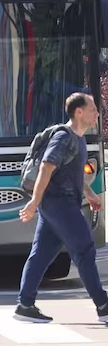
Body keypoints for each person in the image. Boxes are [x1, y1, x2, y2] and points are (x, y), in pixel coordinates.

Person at [15, 92, 108, 323]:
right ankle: (103, 305)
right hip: (59, 204)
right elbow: (47, 168)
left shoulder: (79, 139)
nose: (97, 112)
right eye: (92, 108)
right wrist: (34, 201)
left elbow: (72, 174)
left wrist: (89, 192)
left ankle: (24, 305)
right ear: (79, 112)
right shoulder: (64, 137)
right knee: (85, 250)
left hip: (56, 206)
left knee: (40, 255)